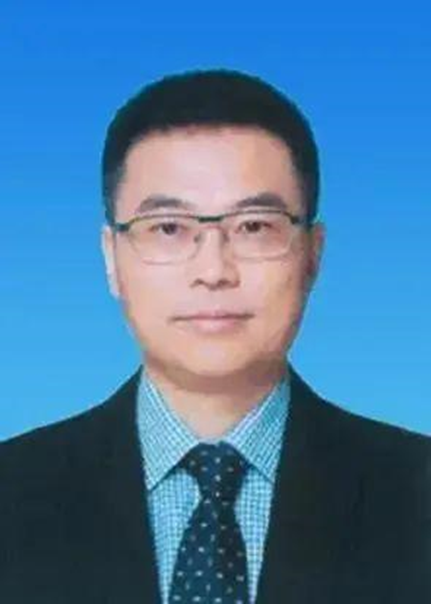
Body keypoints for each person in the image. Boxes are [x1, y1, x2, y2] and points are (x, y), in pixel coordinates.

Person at [1, 68, 430, 604]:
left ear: (313, 255)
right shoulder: (12, 491)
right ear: (111, 257)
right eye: (168, 228)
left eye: (254, 226)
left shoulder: (416, 490)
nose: (213, 271)